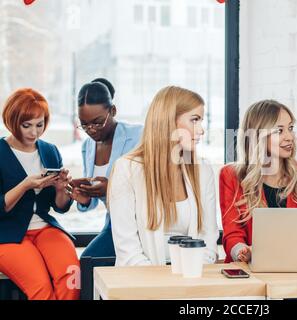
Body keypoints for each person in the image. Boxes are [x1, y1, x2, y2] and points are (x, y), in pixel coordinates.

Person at [108, 86, 218, 266]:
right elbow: (128, 253)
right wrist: (164, 285)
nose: (201, 130)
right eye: (194, 120)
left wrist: (191, 276)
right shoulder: (126, 169)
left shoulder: (202, 170)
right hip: (142, 281)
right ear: (169, 122)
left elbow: (209, 243)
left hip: (192, 278)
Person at [220, 99, 297, 263]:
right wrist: (242, 251)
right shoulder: (231, 176)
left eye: (290, 128)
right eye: (279, 130)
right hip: (250, 271)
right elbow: (232, 233)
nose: (289, 137)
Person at [0, 88, 79, 300]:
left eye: (40, 125)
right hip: (7, 234)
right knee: (41, 288)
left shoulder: (50, 150)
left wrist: (63, 190)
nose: (34, 133)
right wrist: (25, 185)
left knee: (72, 275)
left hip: (45, 228)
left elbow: (60, 207)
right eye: (26, 125)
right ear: (12, 121)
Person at [70, 78, 143, 258]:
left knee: (89, 262)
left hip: (142, 222)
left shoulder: (139, 135)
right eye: (84, 124)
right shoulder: (88, 146)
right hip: (115, 224)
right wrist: (84, 197)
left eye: (97, 122)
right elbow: (93, 203)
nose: (91, 130)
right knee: (87, 262)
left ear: (113, 111)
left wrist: (111, 188)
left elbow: (154, 183)